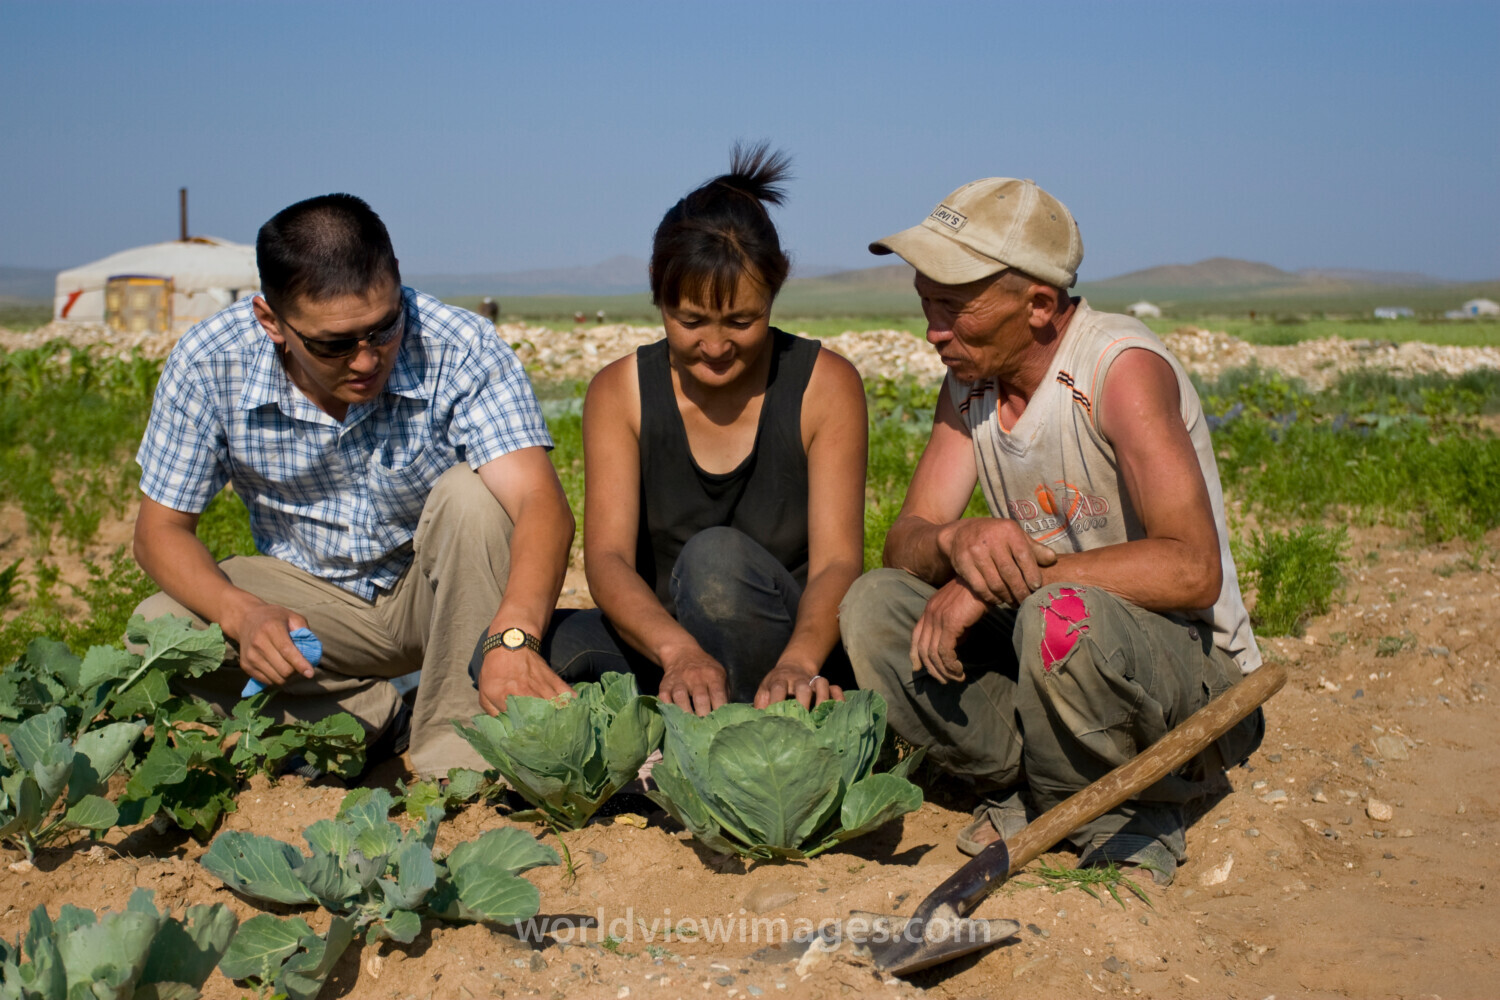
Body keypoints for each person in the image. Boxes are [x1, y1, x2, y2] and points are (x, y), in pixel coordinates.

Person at [839, 178, 1263, 884]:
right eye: (926, 306)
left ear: (1038, 305)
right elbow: (906, 540)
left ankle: (1135, 801)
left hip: (1188, 682)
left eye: (954, 309)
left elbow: (1193, 569)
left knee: (1058, 612)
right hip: (1054, 658)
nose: (933, 332)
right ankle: (1040, 781)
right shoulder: (970, 383)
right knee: (874, 606)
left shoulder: (1118, 371)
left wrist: (1008, 581)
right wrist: (953, 545)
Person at [131, 193, 575, 778]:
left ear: (397, 285)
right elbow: (159, 531)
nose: (367, 360)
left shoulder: (460, 346)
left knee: (474, 496)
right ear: (272, 322)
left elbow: (541, 502)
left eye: (384, 328)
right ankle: (373, 717)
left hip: (441, 595)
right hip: (310, 610)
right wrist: (241, 615)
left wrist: (513, 639)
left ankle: (461, 756)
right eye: (335, 344)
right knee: (156, 633)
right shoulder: (211, 362)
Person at [545, 145, 867, 715]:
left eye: (742, 322)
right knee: (512, 656)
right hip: (669, 647)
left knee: (715, 561)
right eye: (690, 321)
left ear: (777, 287)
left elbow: (838, 563)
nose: (716, 348)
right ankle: (692, 711)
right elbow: (608, 559)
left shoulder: (826, 385)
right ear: (656, 288)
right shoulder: (618, 392)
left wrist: (800, 661)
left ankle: (743, 724)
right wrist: (678, 653)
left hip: (791, 653)